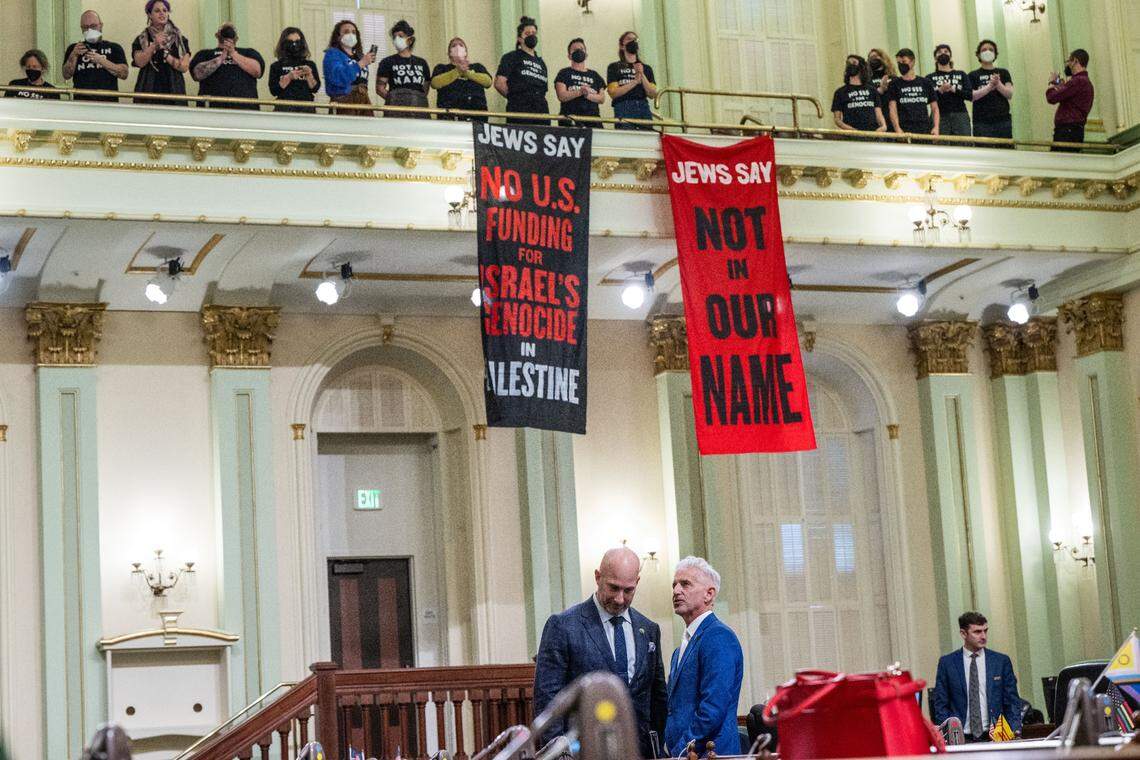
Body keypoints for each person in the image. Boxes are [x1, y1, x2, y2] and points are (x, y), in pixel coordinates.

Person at [533, 547, 667, 758]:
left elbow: (657, 699)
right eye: (613, 588)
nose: (620, 599)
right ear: (598, 577)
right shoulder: (564, 626)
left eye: (629, 590)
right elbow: (548, 702)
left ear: (637, 582)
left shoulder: (648, 630)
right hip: (583, 752)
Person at [664, 557, 743, 758]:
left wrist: (679, 751)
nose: (676, 591)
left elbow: (712, 709)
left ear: (709, 594)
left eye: (685, 584)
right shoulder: (680, 649)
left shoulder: (718, 637)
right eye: (674, 585)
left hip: (710, 753)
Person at [931, 611, 1024, 742]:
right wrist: (948, 736)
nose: (983, 636)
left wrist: (1013, 732)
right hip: (961, 738)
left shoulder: (1000, 661)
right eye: (977, 632)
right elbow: (941, 703)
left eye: (985, 631)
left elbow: (1012, 701)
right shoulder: (947, 663)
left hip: (996, 737)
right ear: (963, 633)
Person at [190, 23, 264, 109]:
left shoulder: (249, 53)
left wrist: (233, 54)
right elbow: (197, 74)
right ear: (217, 35)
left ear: (236, 38)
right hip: (211, 111)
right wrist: (220, 59)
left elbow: (257, 71)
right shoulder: (204, 54)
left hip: (245, 110)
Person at [131, 0, 191, 105]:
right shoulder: (141, 38)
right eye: (157, 11)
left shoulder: (180, 39)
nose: (162, 13)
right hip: (148, 92)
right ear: (149, 15)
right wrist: (154, 45)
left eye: (165, 10)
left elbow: (184, 67)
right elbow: (139, 62)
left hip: (174, 92)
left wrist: (165, 54)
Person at [62, 10, 128, 102]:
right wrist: (74, 55)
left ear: (101, 25)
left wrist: (101, 61)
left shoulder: (114, 48)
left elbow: (124, 74)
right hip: (82, 103)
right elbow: (66, 75)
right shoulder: (74, 48)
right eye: (85, 27)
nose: (89, 30)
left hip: (108, 103)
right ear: (81, 29)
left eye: (93, 26)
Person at [494, 16, 549, 124]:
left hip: (541, 111)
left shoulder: (541, 63)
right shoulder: (511, 57)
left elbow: (544, 90)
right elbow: (499, 83)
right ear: (520, 38)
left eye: (534, 33)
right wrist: (516, 97)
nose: (531, 36)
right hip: (519, 110)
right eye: (527, 33)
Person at [376, 20, 431, 117]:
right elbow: (380, 88)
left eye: (401, 36)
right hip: (395, 109)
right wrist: (396, 99)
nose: (397, 39)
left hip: (419, 108)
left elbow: (425, 89)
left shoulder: (422, 63)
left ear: (410, 40)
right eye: (394, 37)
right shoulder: (387, 62)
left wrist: (414, 98)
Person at [322, 19, 375, 116]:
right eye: (346, 32)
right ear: (338, 37)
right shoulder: (332, 54)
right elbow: (337, 77)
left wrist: (362, 62)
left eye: (354, 32)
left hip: (364, 100)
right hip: (343, 100)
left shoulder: (360, 56)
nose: (351, 34)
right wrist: (360, 64)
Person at [430, 37, 491, 120]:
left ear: (466, 52)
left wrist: (467, 73)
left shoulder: (477, 67)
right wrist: (457, 71)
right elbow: (435, 83)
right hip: (449, 118)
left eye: (461, 45)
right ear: (449, 53)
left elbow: (488, 82)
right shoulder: (442, 68)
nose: (458, 47)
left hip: (477, 117)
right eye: (454, 45)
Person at [607, 30, 657, 130]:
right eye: (629, 39)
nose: (633, 41)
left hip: (642, 106)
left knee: (647, 139)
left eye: (635, 40)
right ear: (622, 46)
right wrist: (634, 82)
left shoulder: (646, 68)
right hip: (623, 106)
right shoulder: (614, 67)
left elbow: (652, 94)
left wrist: (641, 74)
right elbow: (613, 93)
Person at [1046, 49, 1093, 151]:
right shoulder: (1085, 82)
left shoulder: (1077, 81)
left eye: (1068, 61)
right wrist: (1057, 83)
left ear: (1075, 61)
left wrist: (1051, 85)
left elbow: (1052, 98)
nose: (1067, 64)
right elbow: (1066, 91)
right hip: (1075, 131)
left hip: (1067, 131)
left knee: (1060, 162)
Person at [968, 39, 1013, 144]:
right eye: (984, 50)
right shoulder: (972, 75)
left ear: (995, 54)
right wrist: (989, 86)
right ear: (978, 55)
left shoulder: (1003, 72)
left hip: (1002, 120)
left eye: (991, 50)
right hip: (981, 122)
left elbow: (1009, 94)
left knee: (1005, 151)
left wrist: (998, 84)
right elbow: (972, 96)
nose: (987, 52)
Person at [887, 48, 938, 136]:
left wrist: (936, 127)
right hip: (904, 128)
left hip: (924, 128)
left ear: (912, 62)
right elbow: (892, 108)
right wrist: (897, 128)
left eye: (904, 61)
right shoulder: (894, 84)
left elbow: (935, 108)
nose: (901, 65)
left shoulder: (925, 82)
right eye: (898, 63)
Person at [268, 27, 320, 113]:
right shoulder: (276, 66)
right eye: (290, 42)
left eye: (297, 42)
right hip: (284, 108)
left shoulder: (310, 65)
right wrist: (288, 77)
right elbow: (274, 90)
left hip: (306, 108)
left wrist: (309, 75)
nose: (294, 45)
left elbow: (315, 88)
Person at [554, 38, 605, 125]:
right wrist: (579, 92)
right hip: (570, 121)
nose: (579, 51)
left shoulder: (595, 75)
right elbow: (561, 96)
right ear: (569, 56)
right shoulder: (564, 73)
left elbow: (601, 99)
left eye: (581, 49)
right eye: (575, 49)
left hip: (593, 121)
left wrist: (587, 94)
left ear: (586, 54)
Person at [831, 54, 885, 133]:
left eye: (854, 62)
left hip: (873, 133)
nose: (850, 65)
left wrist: (883, 126)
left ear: (861, 66)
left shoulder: (872, 90)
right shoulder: (840, 92)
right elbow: (837, 119)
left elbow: (878, 113)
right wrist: (852, 130)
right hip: (852, 135)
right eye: (848, 63)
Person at [928, 44, 971, 137]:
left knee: (964, 146)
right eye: (939, 52)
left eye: (946, 52)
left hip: (960, 114)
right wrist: (940, 90)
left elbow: (969, 95)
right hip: (939, 116)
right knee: (941, 146)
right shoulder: (929, 78)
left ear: (950, 56)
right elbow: (927, 99)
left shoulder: (961, 74)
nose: (943, 53)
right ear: (935, 58)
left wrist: (954, 89)